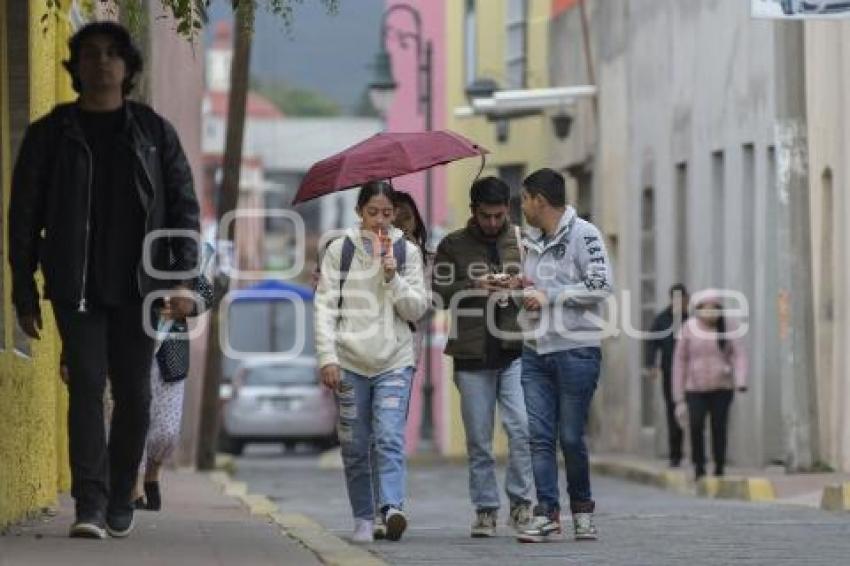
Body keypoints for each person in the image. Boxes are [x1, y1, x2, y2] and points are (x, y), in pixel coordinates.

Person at [9, 22, 200, 539]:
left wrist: (182, 279)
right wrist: (24, 290)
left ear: (128, 66)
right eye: (90, 54)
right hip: (76, 284)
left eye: (113, 54)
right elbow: (23, 216)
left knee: (136, 394)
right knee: (88, 385)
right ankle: (89, 504)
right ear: (76, 66)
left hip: (142, 289)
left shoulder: (154, 134)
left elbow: (184, 209)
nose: (101, 63)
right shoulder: (52, 133)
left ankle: (121, 493)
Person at [314, 181, 428, 543]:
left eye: (387, 213)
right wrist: (327, 358)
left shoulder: (407, 252)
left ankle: (392, 507)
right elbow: (325, 306)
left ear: (395, 214)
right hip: (349, 361)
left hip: (394, 359)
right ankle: (363, 517)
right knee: (354, 445)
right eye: (372, 212)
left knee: (390, 436)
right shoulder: (339, 250)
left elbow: (416, 309)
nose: (380, 220)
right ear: (359, 212)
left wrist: (393, 276)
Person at [515, 168, 613, 543]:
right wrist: (519, 286)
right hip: (535, 351)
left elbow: (602, 284)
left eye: (524, 199)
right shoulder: (532, 240)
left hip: (576, 351)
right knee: (538, 438)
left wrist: (549, 295)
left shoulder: (584, 234)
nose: (521, 206)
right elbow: (536, 289)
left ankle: (583, 512)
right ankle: (547, 514)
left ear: (539, 200)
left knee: (570, 437)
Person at [432, 176, 534, 538]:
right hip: (471, 354)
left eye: (499, 215)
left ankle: (522, 504)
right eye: (486, 216)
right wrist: (474, 287)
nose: (493, 222)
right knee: (478, 439)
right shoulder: (452, 245)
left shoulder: (522, 240)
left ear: (508, 210)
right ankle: (486, 509)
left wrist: (521, 286)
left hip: (514, 348)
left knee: (522, 429)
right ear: (473, 211)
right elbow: (438, 295)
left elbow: (539, 284)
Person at [132, 270, 214, 511]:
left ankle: (153, 473)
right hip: (133, 345)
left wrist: (186, 306)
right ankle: (133, 487)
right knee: (134, 420)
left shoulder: (178, 260)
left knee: (166, 431)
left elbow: (207, 292)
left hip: (171, 351)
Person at [672, 292, 748, 480]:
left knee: (719, 426)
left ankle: (719, 465)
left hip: (722, 386)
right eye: (706, 308)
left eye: (714, 307)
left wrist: (740, 379)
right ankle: (699, 465)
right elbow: (680, 362)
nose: (710, 312)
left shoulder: (728, 326)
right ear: (698, 310)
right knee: (696, 424)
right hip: (695, 388)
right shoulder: (688, 328)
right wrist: (678, 395)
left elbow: (739, 354)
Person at [644, 284, 690, 467]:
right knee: (673, 413)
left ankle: (696, 454)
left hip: (692, 374)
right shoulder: (662, 320)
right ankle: (675, 454)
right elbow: (652, 343)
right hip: (670, 373)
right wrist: (651, 365)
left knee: (694, 414)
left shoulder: (691, 319)